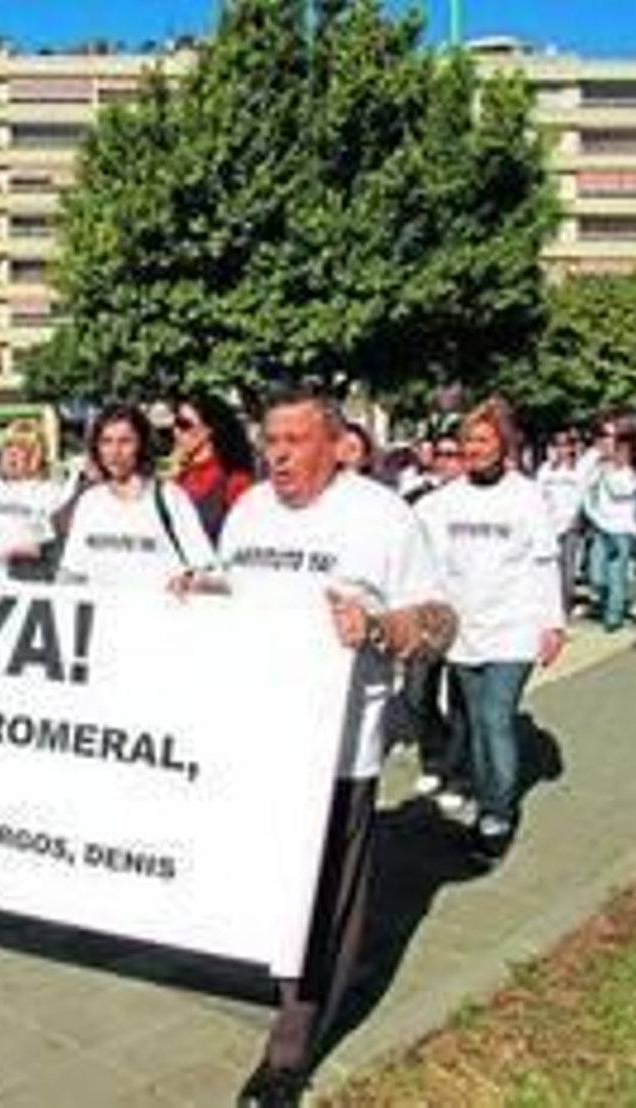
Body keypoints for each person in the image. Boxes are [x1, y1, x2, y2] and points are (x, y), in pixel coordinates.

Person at [210, 387, 455, 1107]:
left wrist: (380, 630)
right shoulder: (251, 509)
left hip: (338, 744)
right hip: (256, 735)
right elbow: (234, 597)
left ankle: (291, 1048)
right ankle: (285, 977)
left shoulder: (380, 515)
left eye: (292, 440)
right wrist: (201, 592)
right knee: (273, 880)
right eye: (269, 441)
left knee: (325, 898)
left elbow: (440, 620)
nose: (277, 454)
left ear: (336, 443)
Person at [415, 399, 565, 863]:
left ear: (502, 444)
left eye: (483, 440)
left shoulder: (527, 496)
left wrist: (553, 623)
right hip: (464, 629)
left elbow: (545, 562)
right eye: (468, 441)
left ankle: (496, 813)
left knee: (496, 718)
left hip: (515, 628)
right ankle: (484, 794)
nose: (474, 449)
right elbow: (426, 566)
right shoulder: (442, 503)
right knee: (476, 721)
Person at [56, 402, 215, 589]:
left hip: (162, 616)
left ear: (142, 444)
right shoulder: (89, 502)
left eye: (125, 441)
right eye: (106, 441)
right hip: (102, 617)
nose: (114, 452)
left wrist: (192, 583)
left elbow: (209, 570)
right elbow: (70, 574)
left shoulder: (170, 497)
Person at [0, 419, 67, 581]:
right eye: (8, 446)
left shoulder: (51, 493)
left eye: (21, 448)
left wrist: (36, 549)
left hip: (28, 584)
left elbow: (57, 545)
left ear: (35, 455)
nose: (12, 453)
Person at [170, 390, 256, 543]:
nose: (175, 431)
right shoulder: (177, 478)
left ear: (208, 430)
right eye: (175, 423)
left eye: (184, 425)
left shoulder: (235, 482)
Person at [581, 425, 636, 633]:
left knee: (616, 575)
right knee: (595, 576)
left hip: (622, 532)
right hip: (600, 529)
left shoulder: (633, 473)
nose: (620, 454)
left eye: (624, 451)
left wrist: (606, 472)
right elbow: (586, 489)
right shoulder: (599, 467)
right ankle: (610, 604)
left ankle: (613, 617)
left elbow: (621, 491)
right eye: (617, 449)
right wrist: (592, 514)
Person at [535, 430, 586, 620]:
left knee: (568, 570)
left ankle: (564, 608)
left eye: (566, 445)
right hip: (549, 526)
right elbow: (537, 496)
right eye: (558, 445)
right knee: (549, 570)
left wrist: (576, 519)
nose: (562, 449)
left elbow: (582, 497)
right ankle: (549, 607)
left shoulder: (578, 470)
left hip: (570, 526)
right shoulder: (545, 470)